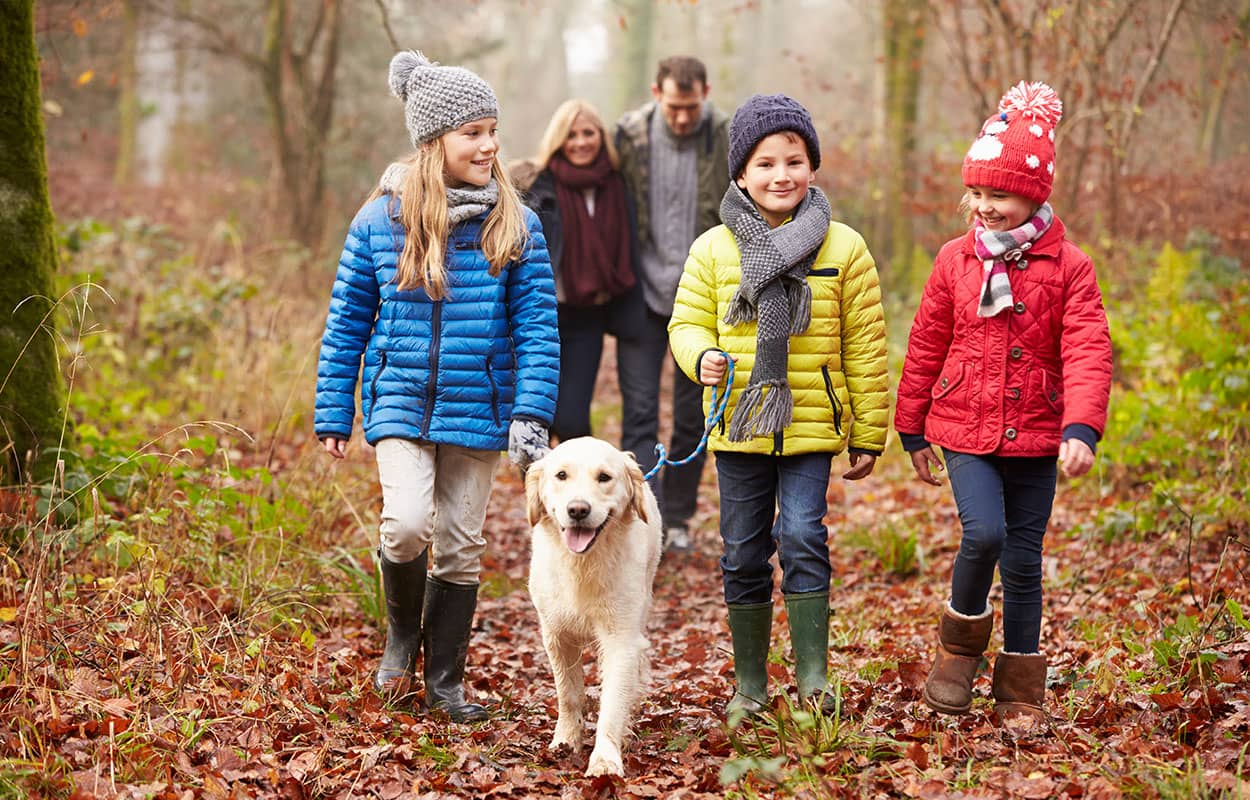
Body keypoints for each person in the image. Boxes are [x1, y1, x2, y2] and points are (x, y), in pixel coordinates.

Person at [314, 50, 559, 722]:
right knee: (406, 524)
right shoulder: (379, 223)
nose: (489, 144)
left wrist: (531, 415)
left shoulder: (516, 225)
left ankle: (445, 680)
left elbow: (538, 330)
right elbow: (345, 326)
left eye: (491, 129)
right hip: (398, 402)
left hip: (480, 407)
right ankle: (400, 640)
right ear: (433, 142)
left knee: (459, 540)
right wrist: (335, 409)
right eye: (472, 132)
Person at [894, 81, 1112, 732]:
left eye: (1001, 195)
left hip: (1039, 432)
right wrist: (910, 426)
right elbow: (928, 339)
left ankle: (1019, 687)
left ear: (1034, 194)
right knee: (983, 533)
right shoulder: (954, 261)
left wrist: (1081, 426)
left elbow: (1087, 347)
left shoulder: (1071, 267)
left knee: (1022, 559)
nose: (986, 208)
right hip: (964, 426)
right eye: (979, 195)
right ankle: (957, 657)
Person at [668, 94, 889, 718]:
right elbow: (684, 325)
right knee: (742, 550)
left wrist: (869, 431)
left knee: (801, 536)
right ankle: (750, 684)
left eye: (794, 160)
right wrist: (700, 356)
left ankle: (813, 678)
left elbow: (866, 345)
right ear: (741, 173)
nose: (781, 175)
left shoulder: (843, 248)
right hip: (739, 424)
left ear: (812, 167)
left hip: (812, 425)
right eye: (765, 164)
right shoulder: (713, 249)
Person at [614, 55, 731, 552]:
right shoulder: (629, 136)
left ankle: (677, 517)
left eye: (691, 106)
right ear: (655, 92)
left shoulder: (725, 135)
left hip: (702, 298)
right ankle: (643, 517)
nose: (682, 117)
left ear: (705, 92)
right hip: (641, 292)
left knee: (691, 416)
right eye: (674, 106)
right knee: (639, 411)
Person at [517, 100, 644, 443]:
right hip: (542, 315)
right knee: (537, 417)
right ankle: (543, 492)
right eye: (571, 135)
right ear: (559, 139)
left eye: (589, 133)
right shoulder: (538, 186)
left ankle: (579, 483)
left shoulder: (617, 185)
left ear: (601, 137)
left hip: (588, 316)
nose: (581, 142)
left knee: (572, 419)